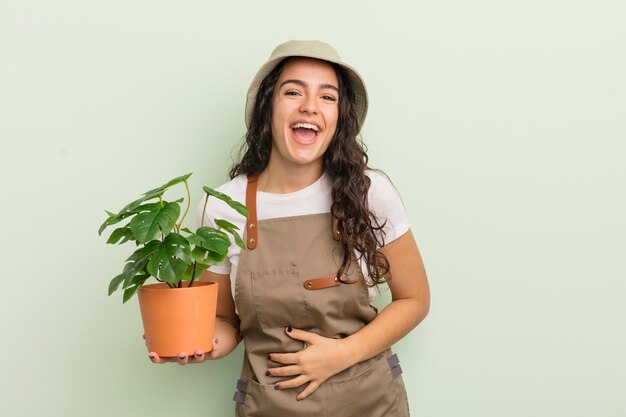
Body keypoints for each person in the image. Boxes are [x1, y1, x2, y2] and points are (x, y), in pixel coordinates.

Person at [149, 40, 430, 417]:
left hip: (372, 405)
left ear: (338, 116)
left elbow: (414, 300)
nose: (310, 106)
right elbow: (227, 323)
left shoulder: (368, 191)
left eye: (327, 97)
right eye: (293, 91)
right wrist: (197, 343)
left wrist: (340, 355)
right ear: (268, 107)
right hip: (271, 406)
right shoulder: (220, 208)